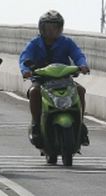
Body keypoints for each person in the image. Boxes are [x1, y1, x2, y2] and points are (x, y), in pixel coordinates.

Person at [19, 10, 90, 147]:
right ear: (41, 28)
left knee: (80, 90)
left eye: (54, 27)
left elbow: (78, 54)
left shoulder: (67, 42)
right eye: (47, 27)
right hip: (42, 79)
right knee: (34, 92)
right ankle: (36, 124)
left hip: (64, 79)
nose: (51, 31)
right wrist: (26, 70)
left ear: (60, 28)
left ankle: (80, 124)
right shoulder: (34, 43)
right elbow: (24, 58)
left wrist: (82, 65)